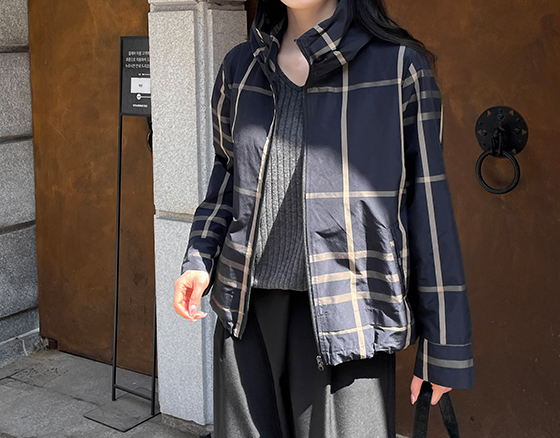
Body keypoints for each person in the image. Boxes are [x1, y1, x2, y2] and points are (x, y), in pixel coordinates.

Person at [173, 0, 475, 436]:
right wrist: (199, 258)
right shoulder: (241, 66)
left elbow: (430, 207)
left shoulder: (398, 68)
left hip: (352, 315)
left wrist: (443, 347)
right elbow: (227, 176)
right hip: (247, 315)